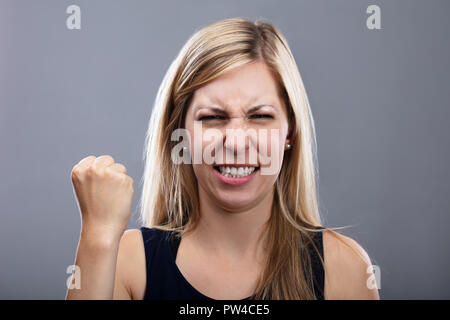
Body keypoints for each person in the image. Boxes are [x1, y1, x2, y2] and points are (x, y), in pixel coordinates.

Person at [66, 18, 380, 300]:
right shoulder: (128, 263)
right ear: (181, 135)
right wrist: (98, 235)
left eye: (259, 116)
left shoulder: (344, 268)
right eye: (213, 117)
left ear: (290, 133)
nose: (236, 141)